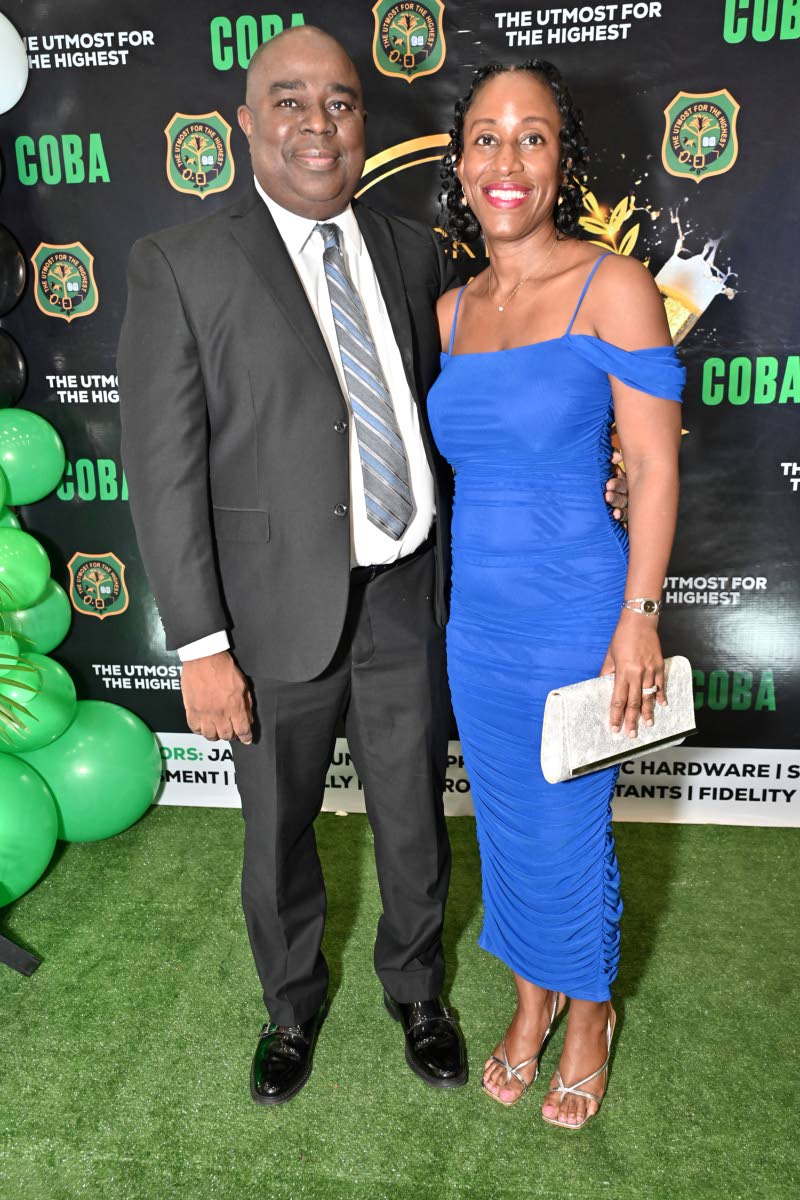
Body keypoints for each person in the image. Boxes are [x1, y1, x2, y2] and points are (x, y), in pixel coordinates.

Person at [118, 28, 627, 1107]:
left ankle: (418, 992)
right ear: (247, 123)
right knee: (277, 833)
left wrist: (599, 467)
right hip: (265, 620)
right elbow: (160, 470)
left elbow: (472, 418)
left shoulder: (411, 254)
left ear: (364, 124)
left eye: (340, 104)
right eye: (289, 102)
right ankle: (290, 1008)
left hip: (408, 595)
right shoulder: (181, 263)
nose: (317, 124)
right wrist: (202, 646)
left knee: (412, 815)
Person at [428, 60, 683, 1130]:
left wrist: (636, 616)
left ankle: (587, 1019)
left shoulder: (610, 285)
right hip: (474, 619)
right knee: (504, 825)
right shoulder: (449, 311)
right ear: (458, 161)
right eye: (486, 136)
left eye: (531, 137)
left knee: (566, 826)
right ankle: (528, 1006)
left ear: (559, 160)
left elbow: (655, 468)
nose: (506, 159)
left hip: (578, 608)